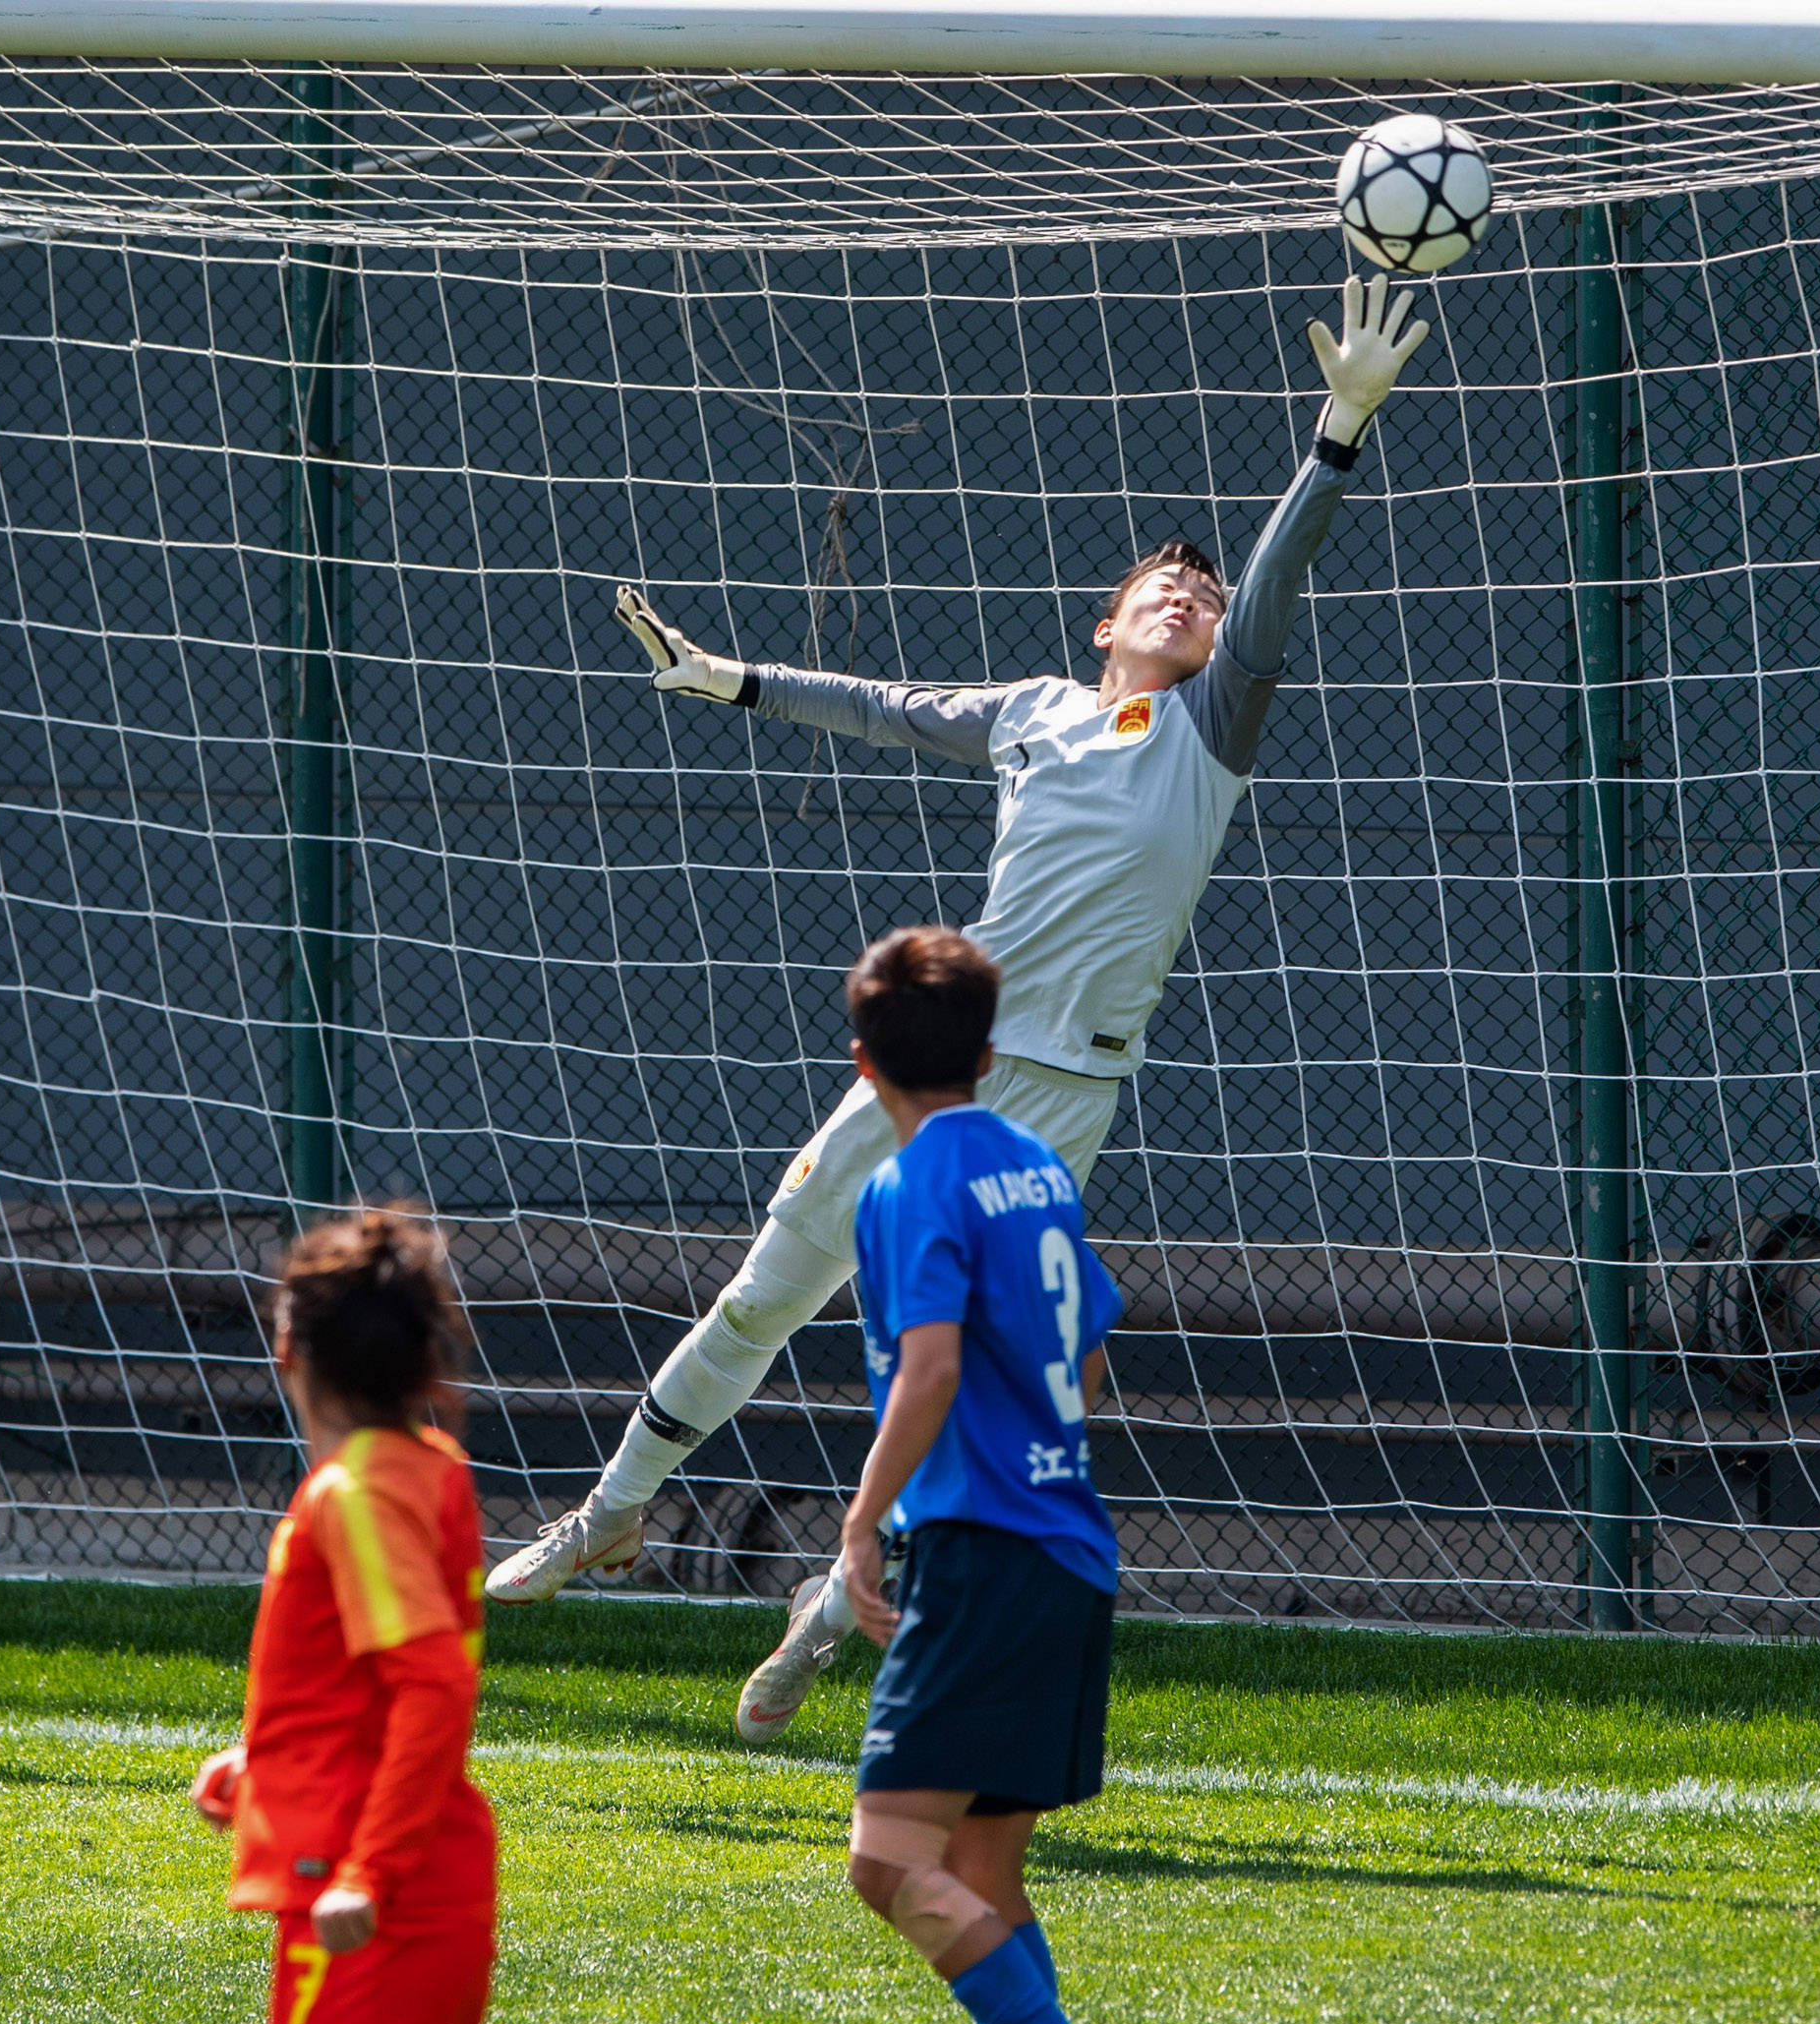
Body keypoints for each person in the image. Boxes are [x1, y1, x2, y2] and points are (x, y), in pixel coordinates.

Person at [489, 276, 1432, 1743]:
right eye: (1160, 583)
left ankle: (826, 1610)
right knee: (765, 1289)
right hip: (940, 1065)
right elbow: (880, 704)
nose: (1189, 593)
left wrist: (1336, 434)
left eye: (1203, 587)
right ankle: (606, 1514)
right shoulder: (1037, 709)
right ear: (1105, 619)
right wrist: (734, 680)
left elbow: (1279, 581)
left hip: (1060, 1096)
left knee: (990, 1381)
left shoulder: (1212, 722)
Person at [830, 927, 1147, 2024]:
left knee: (886, 1865)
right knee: (979, 1872)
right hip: (1067, 1544)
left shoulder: (909, 1186)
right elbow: (1090, 1360)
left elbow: (929, 1369)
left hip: (979, 1548)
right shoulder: (1035, 1167)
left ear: (864, 1063)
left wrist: (861, 1523)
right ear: (990, 1049)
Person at [191, 1207, 497, 2024]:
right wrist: (271, 1768)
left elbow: (434, 1681)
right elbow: (369, 1681)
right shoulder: (425, 1465)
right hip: (400, 1881)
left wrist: (367, 1870)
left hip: (373, 1904)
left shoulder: (354, 1491)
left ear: (289, 1344)